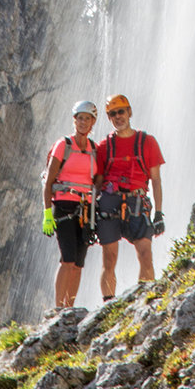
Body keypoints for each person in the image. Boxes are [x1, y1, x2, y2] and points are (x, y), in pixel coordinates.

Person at [95, 94, 165, 301]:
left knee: (145, 254)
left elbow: (156, 180)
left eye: (121, 112)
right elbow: (97, 183)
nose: (118, 117)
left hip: (137, 201)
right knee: (109, 258)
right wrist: (90, 215)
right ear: (109, 118)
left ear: (129, 112)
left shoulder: (148, 142)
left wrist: (159, 213)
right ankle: (108, 305)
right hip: (109, 201)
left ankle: (146, 302)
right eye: (113, 114)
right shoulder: (103, 147)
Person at [42, 100, 98, 309]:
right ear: (74, 120)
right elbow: (48, 182)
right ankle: (58, 309)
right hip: (64, 206)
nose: (83, 122)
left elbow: (98, 178)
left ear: (93, 123)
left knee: (78, 263)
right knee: (67, 258)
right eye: (80, 118)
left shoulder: (94, 149)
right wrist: (47, 214)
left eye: (88, 119)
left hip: (86, 210)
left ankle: (70, 308)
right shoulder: (63, 145)